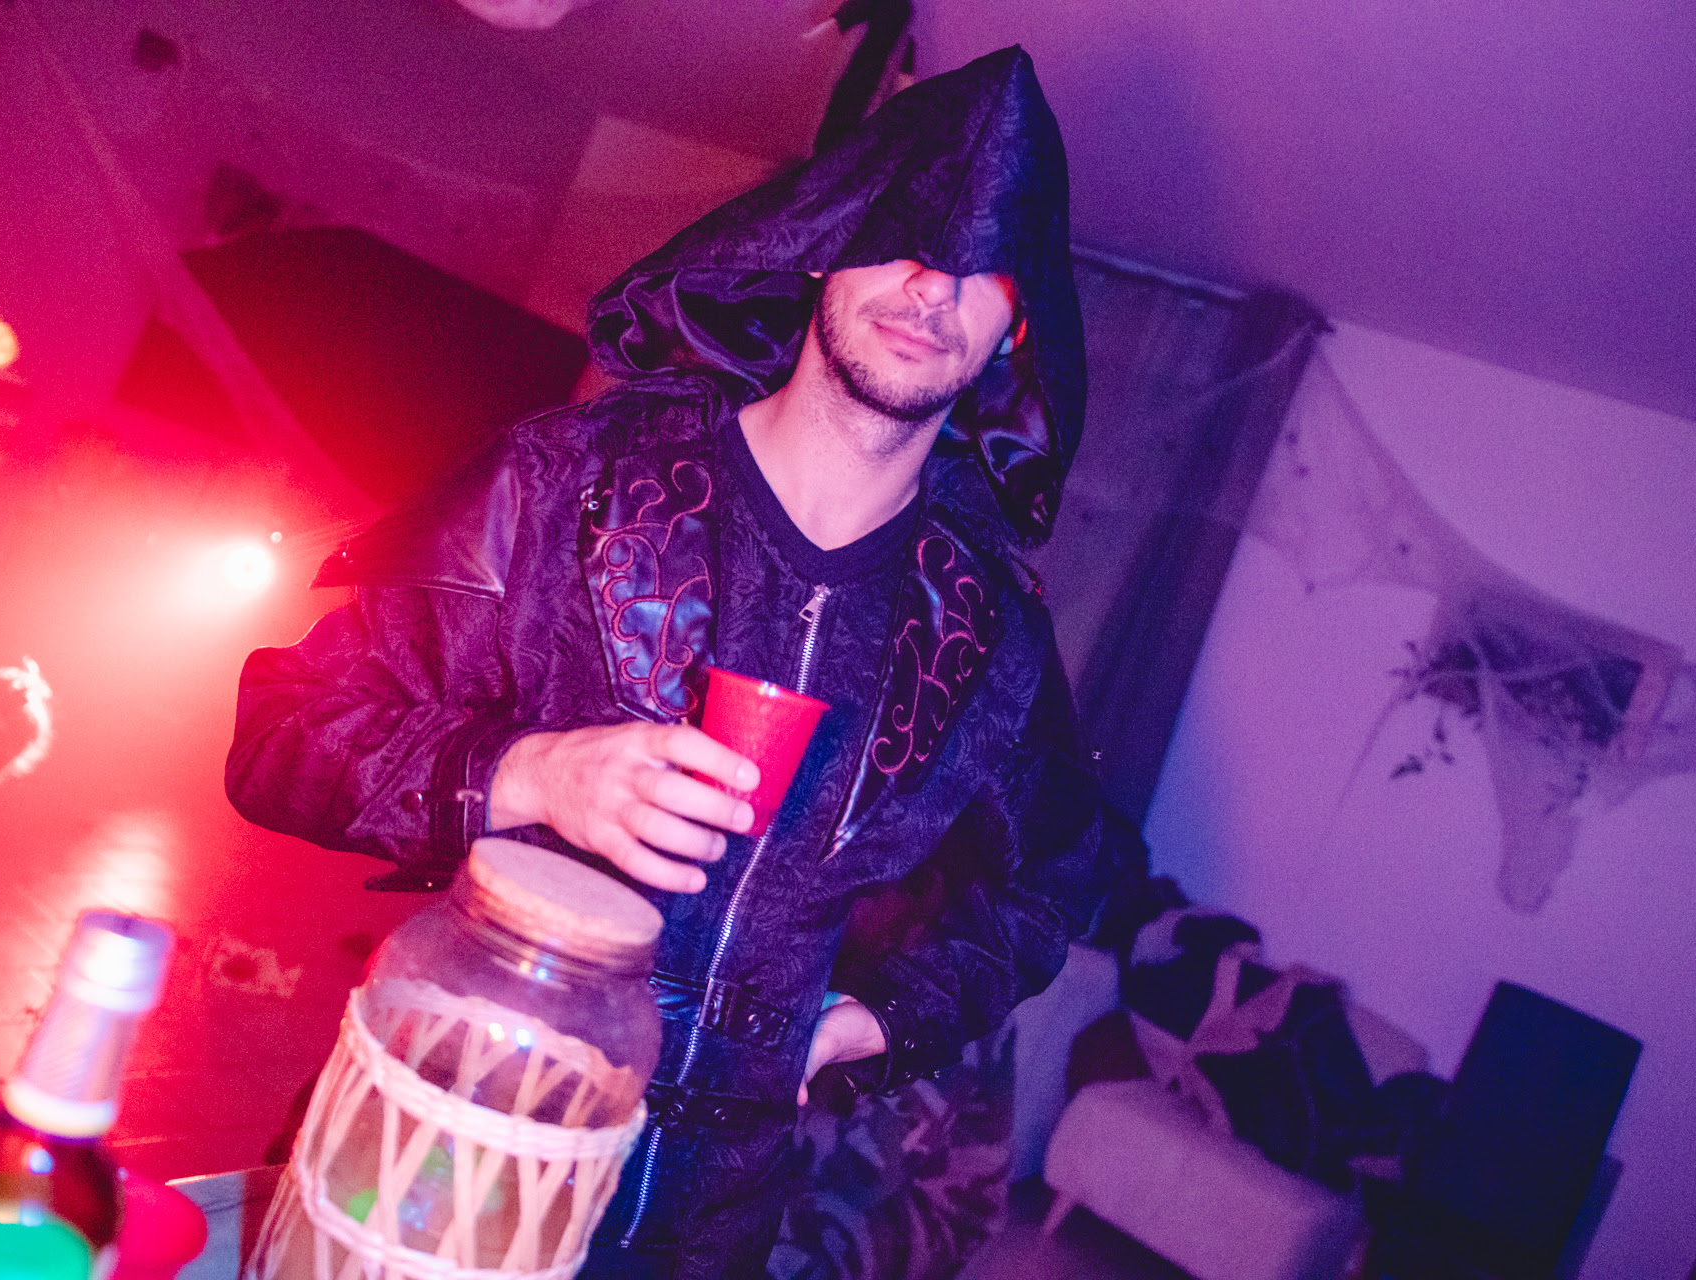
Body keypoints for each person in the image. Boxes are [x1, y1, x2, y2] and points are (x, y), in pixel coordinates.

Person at [227, 46, 1143, 1279]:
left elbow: (1060, 878)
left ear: (1013, 330)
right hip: (460, 1144)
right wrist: (531, 772)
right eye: (906, 236)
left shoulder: (989, 627)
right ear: (827, 242)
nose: (933, 287)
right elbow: (283, 730)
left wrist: (887, 1016)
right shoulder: (569, 483)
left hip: (712, 1220)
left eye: (984, 270)